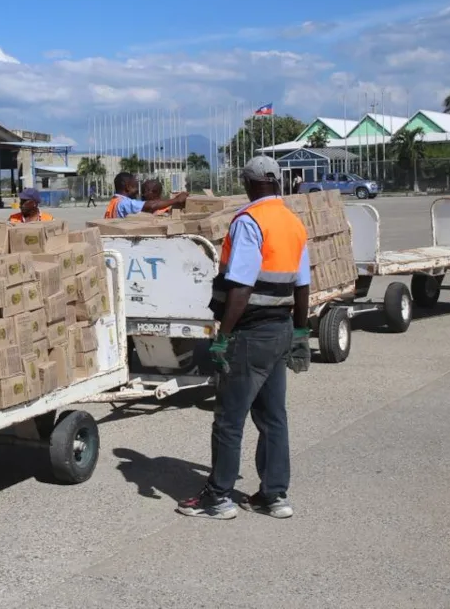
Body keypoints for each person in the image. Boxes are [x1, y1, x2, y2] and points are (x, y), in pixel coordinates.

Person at [176, 156, 311, 521]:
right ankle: (274, 495)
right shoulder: (293, 223)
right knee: (273, 418)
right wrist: (300, 331)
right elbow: (302, 285)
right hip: (280, 329)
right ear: (278, 183)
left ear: (249, 184)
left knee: (229, 420)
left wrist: (224, 335)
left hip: (250, 332)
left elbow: (241, 285)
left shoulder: (249, 222)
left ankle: (218, 498)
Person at [104, 172, 187, 218]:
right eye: (136, 187)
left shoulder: (114, 201)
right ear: (128, 187)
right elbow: (152, 206)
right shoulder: (124, 203)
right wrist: (177, 199)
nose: (140, 193)